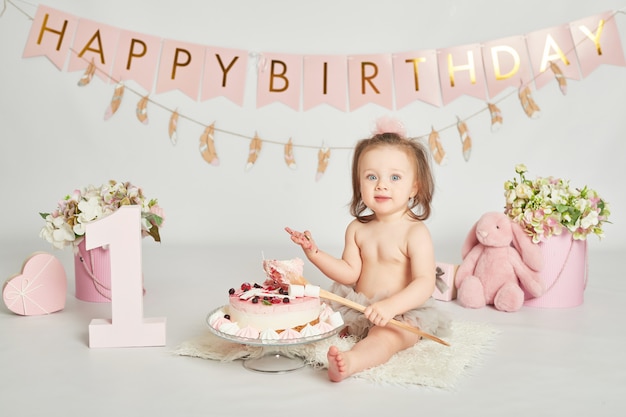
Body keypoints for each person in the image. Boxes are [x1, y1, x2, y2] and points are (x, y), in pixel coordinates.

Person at [286, 124, 450, 382]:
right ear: (359, 182)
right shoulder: (358, 229)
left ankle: (351, 361)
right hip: (360, 306)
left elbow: (424, 282)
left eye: (395, 178)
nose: (382, 186)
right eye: (372, 177)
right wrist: (315, 253)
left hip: (402, 311)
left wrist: (391, 306)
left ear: (414, 188)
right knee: (314, 316)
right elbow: (349, 272)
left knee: (385, 339)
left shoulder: (415, 233)